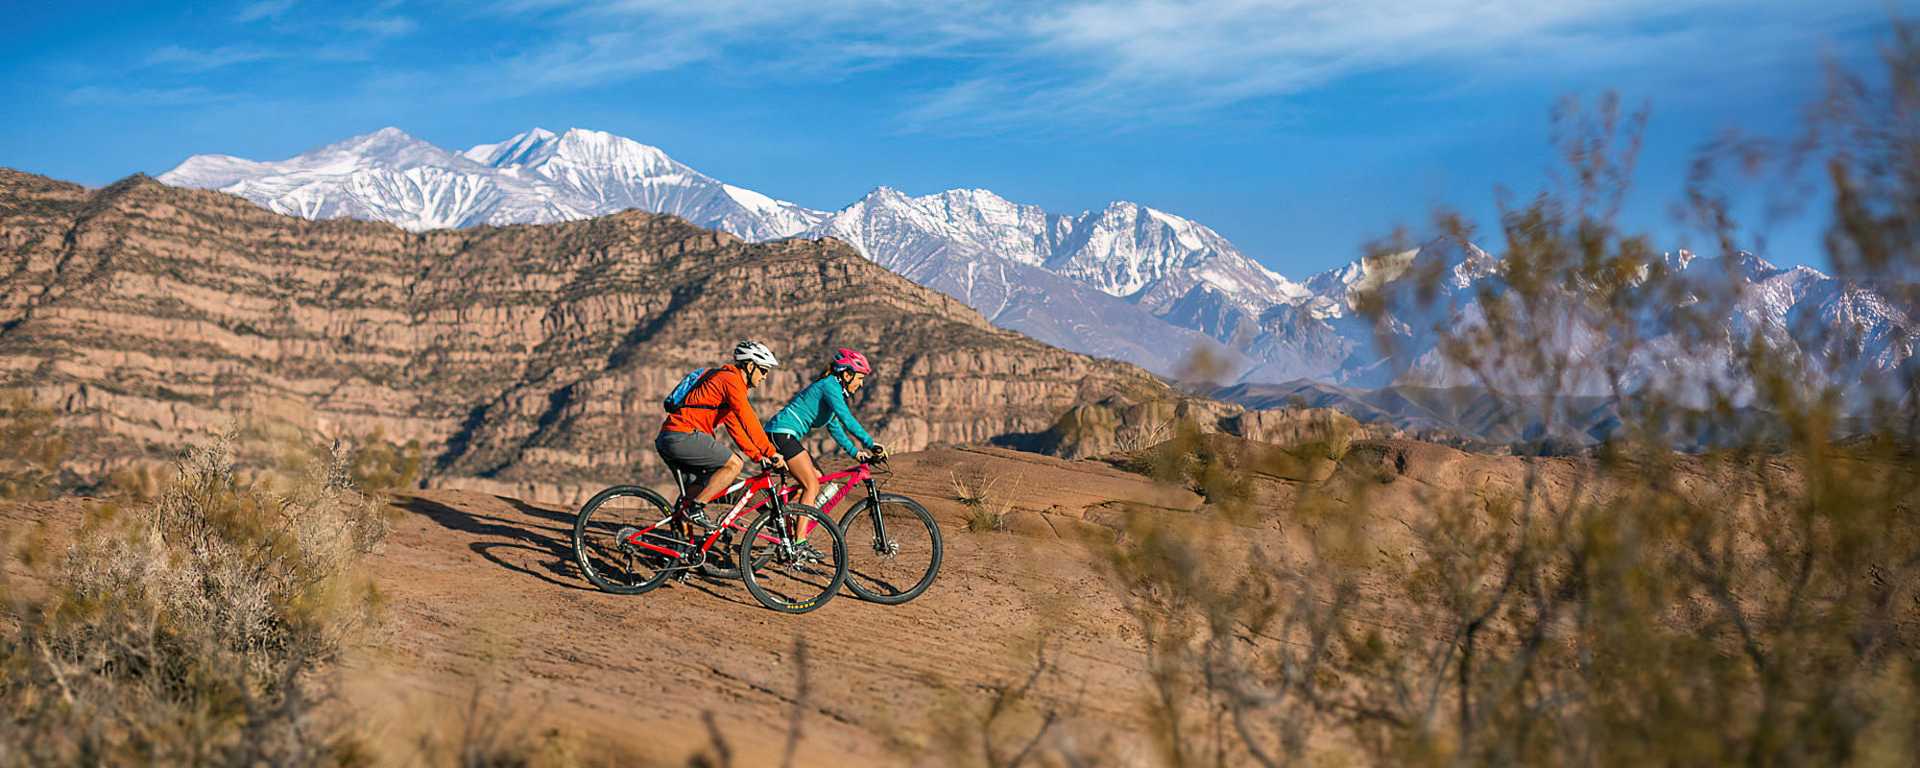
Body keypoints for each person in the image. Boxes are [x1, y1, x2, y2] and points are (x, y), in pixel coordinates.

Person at [654, 340, 787, 528]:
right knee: (734, 464)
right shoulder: (731, 380)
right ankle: (696, 509)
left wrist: (758, 456)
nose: (765, 376)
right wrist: (770, 451)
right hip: (682, 435)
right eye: (763, 370)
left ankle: (679, 549)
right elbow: (748, 417)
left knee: (697, 489)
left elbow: (736, 428)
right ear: (750, 366)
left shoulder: (725, 382)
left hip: (669, 438)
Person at [765, 347, 886, 508]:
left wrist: (855, 452)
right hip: (781, 433)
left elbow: (834, 426)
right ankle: (798, 532)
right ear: (847, 374)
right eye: (860, 378)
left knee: (817, 477)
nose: (861, 384)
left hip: (784, 435)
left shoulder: (833, 389)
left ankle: (780, 514)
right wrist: (871, 444)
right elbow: (847, 419)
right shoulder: (830, 386)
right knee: (812, 485)